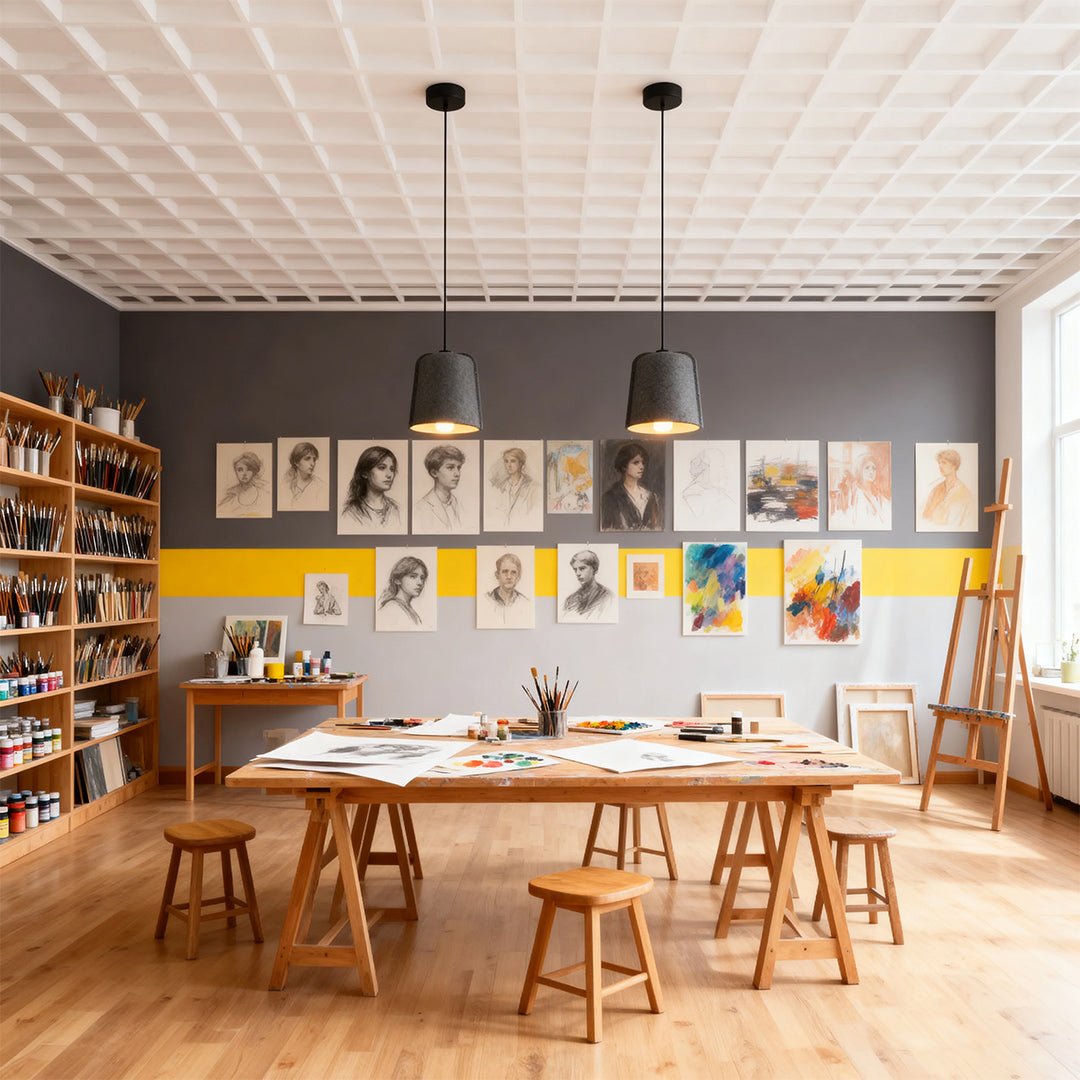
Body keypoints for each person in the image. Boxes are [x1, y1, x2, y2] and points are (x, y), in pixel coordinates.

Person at [600, 441, 661, 531]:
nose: (642, 467)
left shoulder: (650, 497)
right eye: (636, 463)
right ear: (624, 466)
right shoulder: (611, 497)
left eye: (643, 463)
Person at [342, 445, 402, 531]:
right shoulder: (352, 512)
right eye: (382, 468)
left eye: (392, 469)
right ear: (365, 473)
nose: (389, 475)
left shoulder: (396, 509)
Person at [414, 444, 467, 533]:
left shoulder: (459, 505)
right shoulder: (420, 509)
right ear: (434, 473)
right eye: (450, 468)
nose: (457, 474)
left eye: (458, 468)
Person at [831, 451, 889, 529]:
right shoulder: (855, 493)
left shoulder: (878, 495)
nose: (871, 472)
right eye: (867, 468)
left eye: (874, 468)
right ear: (859, 470)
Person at [922, 447, 975, 528]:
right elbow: (926, 517)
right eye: (939, 463)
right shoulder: (935, 490)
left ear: (954, 466)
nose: (940, 466)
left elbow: (966, 522)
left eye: (944, 463)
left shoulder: (965, 493)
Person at [487, 447, 539, 528]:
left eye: (513, 461)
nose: (509, 465)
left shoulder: (532, 487)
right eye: (506, 461)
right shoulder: (501, 487)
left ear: (520, 463)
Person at [377, 555, 429, 629]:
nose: (420, 583)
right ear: (397, 580)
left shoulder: (408, 609)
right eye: (413, 576)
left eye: (422, 578)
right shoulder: (392, 608)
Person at [562, 549, 614, 621]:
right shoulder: (570, 600)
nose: (577, 573)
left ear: (595, 569)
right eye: (575, 569)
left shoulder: (607, 596)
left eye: (582, 568)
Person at [483, 552, 531, 627]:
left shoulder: (525, 603)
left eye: (513, 572)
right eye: (505, 571)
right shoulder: (486, 600)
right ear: (497, 575)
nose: (509, 576)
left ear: (518, 577)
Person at [217, 450, 271, 517]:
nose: (244, 474)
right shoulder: (230, 496)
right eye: (240, 470)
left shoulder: (264, 496)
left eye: (249, 469)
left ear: (254, 472)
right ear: (236, 472)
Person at [281, 441, 327, 510]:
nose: (312, 463)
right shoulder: (286, 484)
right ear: (296, 462)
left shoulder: (321, 486)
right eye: (307, 459)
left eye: (314, 460)